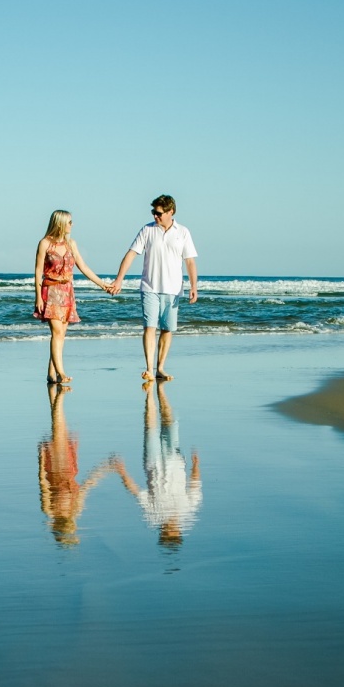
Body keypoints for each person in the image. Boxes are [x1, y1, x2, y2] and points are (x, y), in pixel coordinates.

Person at [107, 195, 198, 381]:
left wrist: (194, 286)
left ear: (170, 212)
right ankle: (149, 368)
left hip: (173, 288)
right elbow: (131, 254)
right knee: (150, 327)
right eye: (153, 213)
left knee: (167, 329)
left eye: (158, 213)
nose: (155, 216)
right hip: (149, 286)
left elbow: (189, 261)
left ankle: (160, 368)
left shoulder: (183, 232)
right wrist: (119, 279)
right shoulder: (147, 230)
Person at [110, 381, 203, 549]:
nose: (170, 527)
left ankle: (150, 395)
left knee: (150, 427)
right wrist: (196, 465)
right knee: (170, 421)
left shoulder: (153, 515)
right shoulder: (188, 511)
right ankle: (160, 391)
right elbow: (195, 485)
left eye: (167, 531)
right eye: (172, 531)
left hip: (153, 461)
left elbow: (136, 492)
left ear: (162, 531)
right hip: (175, 458)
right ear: (179, 531)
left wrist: (122, 471)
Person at [33, 209, 112, 383]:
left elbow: (83, 267)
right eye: (69, 222)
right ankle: (61, 373)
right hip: (51, 291)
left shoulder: (71, 244)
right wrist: (38, 296)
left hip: (67, 292)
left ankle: (51, 374)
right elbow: (38, 271)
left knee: (61, 336)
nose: (72, 225)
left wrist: (103, 284)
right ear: (60, 223)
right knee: (57, 333)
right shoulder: (45, 243)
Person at [37, 383, 113, 546]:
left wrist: (41, 459)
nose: (72, 528)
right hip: (68, 467)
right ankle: (56, 387)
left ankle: (57, 389)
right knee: (59, 425)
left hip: (55, 466)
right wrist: (106, 467)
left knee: (58, 425)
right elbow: (87, 485)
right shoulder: (75, 509)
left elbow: (43, 482)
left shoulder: (50, 510)